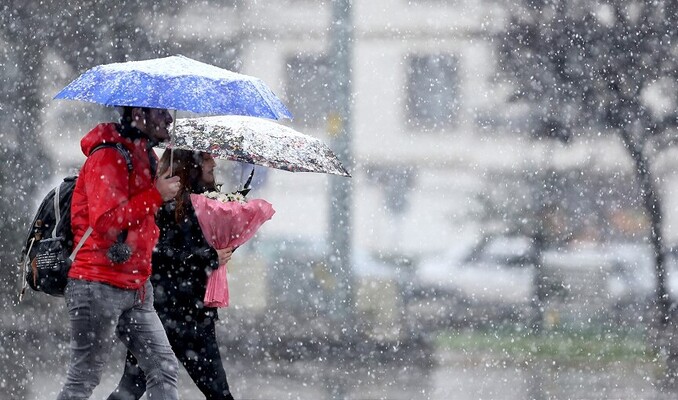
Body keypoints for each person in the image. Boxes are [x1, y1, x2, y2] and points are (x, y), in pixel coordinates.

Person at [57, 106, 181, 400]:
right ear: (139, 113)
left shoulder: (146, 156)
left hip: (137, 286)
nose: (169, 119)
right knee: (83, 379)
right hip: (96, 283)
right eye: (161, 112)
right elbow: (105, 221)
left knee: (163, 370)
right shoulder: (109, 155)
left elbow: (146, 217)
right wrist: (155, 195)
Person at [108, 149, 236, 400]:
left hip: (194, 315)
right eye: (207, 157)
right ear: (190, 165)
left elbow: (201, 252)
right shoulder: (162, 205)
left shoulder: (209, 204)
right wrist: (208, 257)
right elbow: (158, 254)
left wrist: (228, 241)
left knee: (218, 393)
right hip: (162, 314)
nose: (214, 162)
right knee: (130, 389)